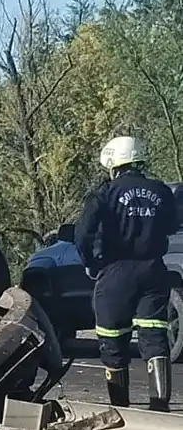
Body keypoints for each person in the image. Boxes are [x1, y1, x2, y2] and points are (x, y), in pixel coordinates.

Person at [76, 136, 180, 411]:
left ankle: (120, 407)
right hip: (153, 270)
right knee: (155, 335)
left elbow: (82, 233)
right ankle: (160, 406)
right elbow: (172, 224)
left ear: (113, 163)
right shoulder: (160, 190)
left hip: (115, 271)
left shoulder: (105, 193)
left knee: (111, 338)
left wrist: (91, 262)